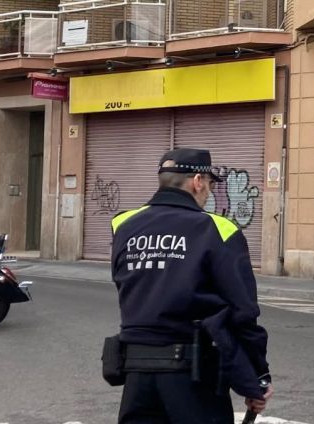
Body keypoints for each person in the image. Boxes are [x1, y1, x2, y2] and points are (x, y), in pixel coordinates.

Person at [110, 148, 273, 424]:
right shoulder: (218, 229)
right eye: (209, 184)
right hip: (193, 378)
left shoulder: (124, 225)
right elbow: (243, 311)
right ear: (197, 181)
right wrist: (258, 375)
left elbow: (126, 286)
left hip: (137, 374)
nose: (208, 192)